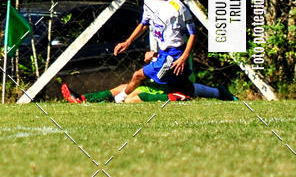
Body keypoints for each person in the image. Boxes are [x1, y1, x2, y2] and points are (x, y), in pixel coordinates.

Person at [112, 0, 196, 103]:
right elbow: (144, 24)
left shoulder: (178, 7)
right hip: (163, 53)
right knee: (180, 87)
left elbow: (192, 33)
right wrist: (127, 42)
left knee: (138, 76)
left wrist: (183, 57)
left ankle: (118, 100)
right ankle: (216, 93)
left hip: (173, 54)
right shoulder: (149, 1)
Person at [61, 79, 236, 104]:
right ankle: (83, 98)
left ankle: (173, 97)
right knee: (124, 88)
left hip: (176, 84)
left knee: (130, 98)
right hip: (181, 84)